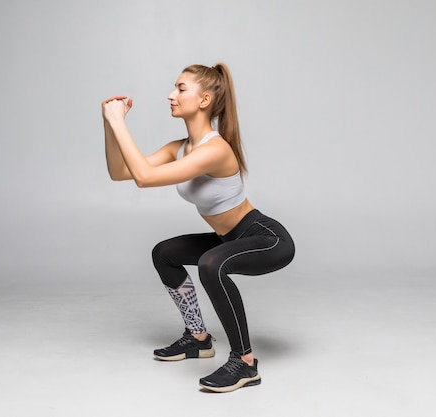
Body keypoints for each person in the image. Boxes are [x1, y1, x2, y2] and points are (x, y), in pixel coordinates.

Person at [101, 63, 295, 393]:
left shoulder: (215, 149)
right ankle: (198, 339)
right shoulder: (179, 147)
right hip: (228, 238)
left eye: (180, 88)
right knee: (164, 254)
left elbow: (145, 179)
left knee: (211, 264)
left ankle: (245, 363)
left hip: (265, 237)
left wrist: (120, 122)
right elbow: (121, 172)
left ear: (204, 100)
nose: (170, 95)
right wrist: (109, 124)